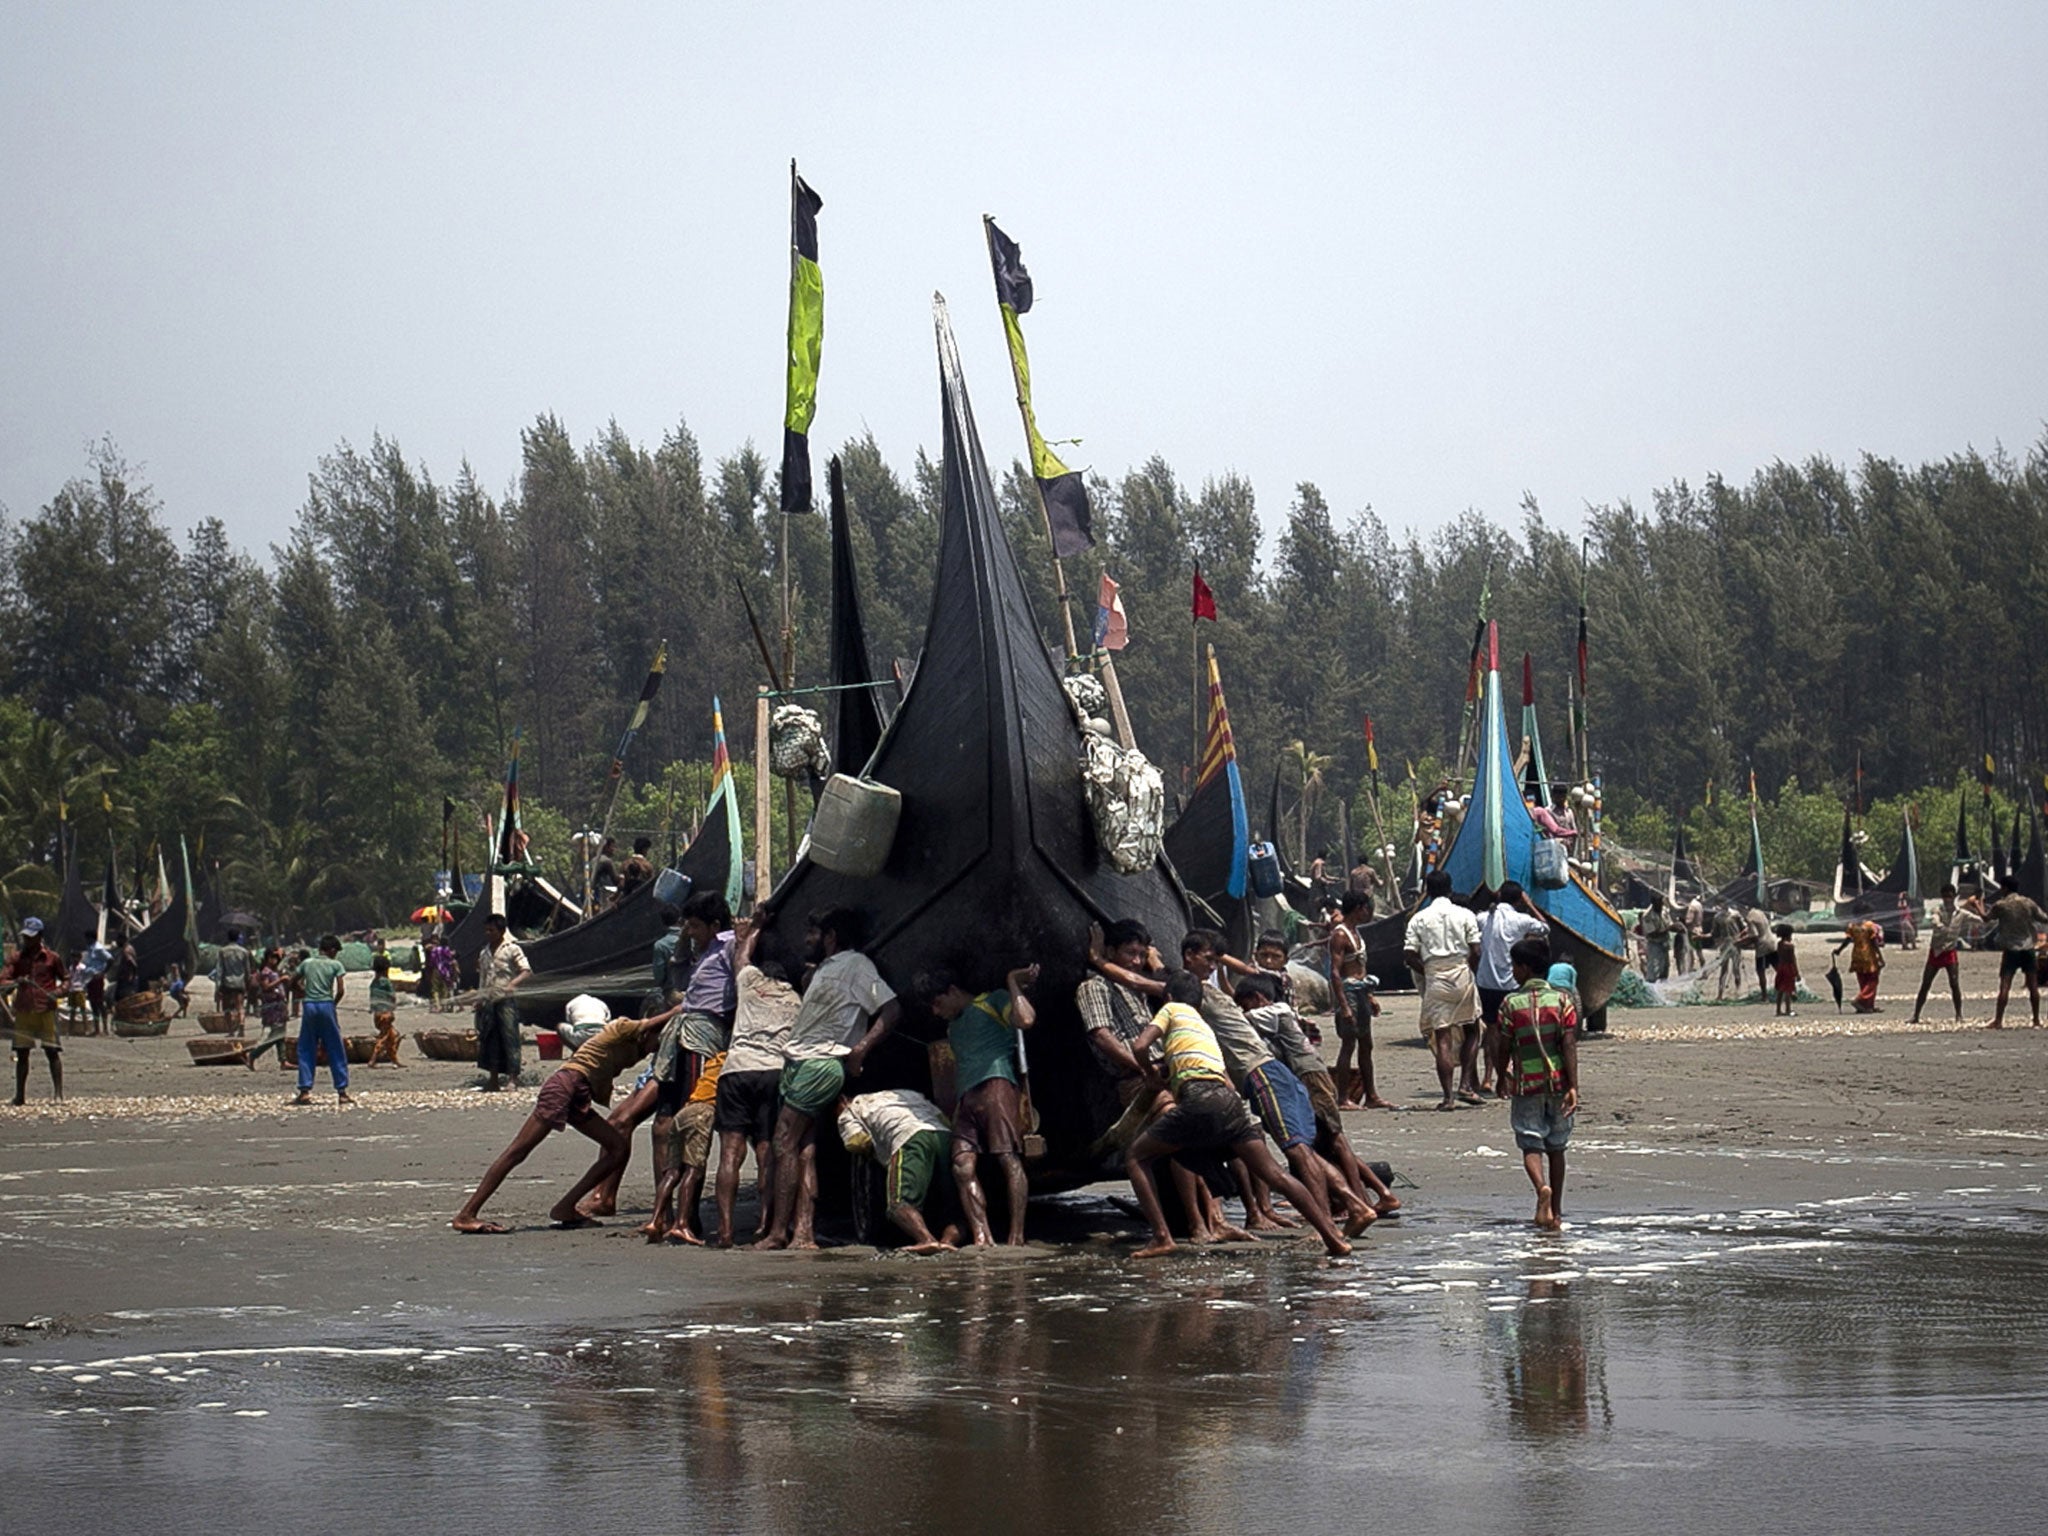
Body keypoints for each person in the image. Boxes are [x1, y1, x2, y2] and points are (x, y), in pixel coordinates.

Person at [1120, 971, 1352, 1261]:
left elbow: (1140, 1046)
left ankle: (1162, 1237)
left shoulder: (1171, 1009)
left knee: (1136, 1156)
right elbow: (1227, 1081)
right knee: (1276, 1175)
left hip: (1200, 1098)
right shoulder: (1204, 1027)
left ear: (1167, 997)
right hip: (1228, 1101)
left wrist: (1151, 1074)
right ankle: (1333, 1238)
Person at [449, 1001, 680, 1233]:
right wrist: (688, 1003)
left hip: (579, 1093)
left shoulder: (639, 1046)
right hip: (564, 1087)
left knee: (617, 1148)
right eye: (657, 1041)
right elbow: (659, 1019)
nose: (655, 1048)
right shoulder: (624, 1028)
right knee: (517, 1151)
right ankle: (467, 1214)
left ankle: (566, 1206)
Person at [753, 907, 900, 1251]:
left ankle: (778, 1233)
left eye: (813, 934)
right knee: (804, 1150)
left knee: (783, 1142)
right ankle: (803, 1233)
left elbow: (891, 1008)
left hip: (820, 1062)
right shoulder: (826, 969)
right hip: (800, 1061)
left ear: (831, 937)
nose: (807, 940)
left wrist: (860, 1049)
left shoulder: (856, 965)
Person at [1234, 973, 1400, 1219]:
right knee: (1324, 1144)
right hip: (1306, 1079)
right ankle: (1364, 1197)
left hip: (1311, 1076)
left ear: (1258, 998)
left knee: (1335, 1140)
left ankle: (1366, 1197)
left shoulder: (1276, 1011)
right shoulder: (1279, 1014)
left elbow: (1241, 1020)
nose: (1245, 1010)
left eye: (1246, 1004)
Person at [921, 964, 1038, 1247]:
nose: (936, 1012)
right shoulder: (953, 1027)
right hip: (966, 1098)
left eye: (938, 1003)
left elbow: (1025, 1019)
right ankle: (981, 1235)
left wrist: (1011, 981)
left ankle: (1016, 1236)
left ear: (952, 991)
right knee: (962, 1166)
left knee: (1008, 1158)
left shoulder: (991, 1001)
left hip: (996, 1084)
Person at [645, 892, 737, 1231]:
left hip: (703, 1037)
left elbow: (738, 984)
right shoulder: (706, 949)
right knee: (672, 1121)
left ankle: (687, 1216)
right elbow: (682, 971)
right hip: (684, 1035)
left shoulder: (728, 945)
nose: (691, 932)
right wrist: (691, 934)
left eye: (696, 926)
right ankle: (671, 1215)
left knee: (692, 1119)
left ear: (715, 925)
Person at [713, 919, 796, 1247]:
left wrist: (752, 930)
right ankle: (764, 1223)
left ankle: (725, 1230)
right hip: (774, 1072)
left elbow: (741, 957)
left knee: (730, 1154)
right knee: (767, 1153)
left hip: (737, 1070)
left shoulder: (750, 981)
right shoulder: (797, 999)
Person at [1495, 935, 1579, 1230]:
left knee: (1531, 1142)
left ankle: (1541, 1188)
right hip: (1557, 1082)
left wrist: (1500, 1074)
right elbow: (1568, 1045)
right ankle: (1555, 1212)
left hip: (1526, 1083)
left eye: (1515, 966)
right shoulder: (1562, 1001)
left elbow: (1502, 1046)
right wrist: (1573, 1086)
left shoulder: (1510, 1004)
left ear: (1526, 968)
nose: (1513, 971)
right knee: (1557, 1146)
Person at [838, 1088, 960, 1253]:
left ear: (843, 1099)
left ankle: (926, 1239)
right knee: (952, 1204)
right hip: (943, 1136)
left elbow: (857, 1142)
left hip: (908, 1138)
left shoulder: (851, 1109)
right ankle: (948, 1242)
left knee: (898, 1204)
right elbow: (944, 1120)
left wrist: (877, 1152)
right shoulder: (910, 1095)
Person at [1403, 870, 1482, 1112]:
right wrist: (1470, 972)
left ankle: (1448, 1097)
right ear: (1450, 888)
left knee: (1443, 1038)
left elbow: (1408, 954)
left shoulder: (1419, 918)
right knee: (1473, 1030)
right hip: (1461, 973)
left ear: (1427, 890)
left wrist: (1427, 971)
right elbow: (1476, 951)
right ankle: (1466, 1084)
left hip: (1435, 977)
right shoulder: (1465, 914)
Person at [1475, 882, 1547, 1100]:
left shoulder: (1484, 918)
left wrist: (1490, 908)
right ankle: (1508, 1075)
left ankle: (1489, 1077)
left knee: (1492, 1031)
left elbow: (1473, 921)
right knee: (1513, 1033)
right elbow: (1544, 927)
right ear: (1518, 900)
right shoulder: (1521, 920)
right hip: (1510, 984)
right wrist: (1531, 905)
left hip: (1486, 982)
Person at [1329, 891, 1390, 1109]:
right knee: (1348, 1044)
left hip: (1361, 991)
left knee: (1366, 1043)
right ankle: (1343, 1098)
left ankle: (1371, 1095)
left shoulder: (1355, 933)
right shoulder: (1340, 935)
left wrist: (1370, 996)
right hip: (1349, 993)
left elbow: (1361, 968)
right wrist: (1344, 1006)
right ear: (1358, 908)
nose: (1368, 913)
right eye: (1366, 908)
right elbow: (1335, 972)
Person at [6, 918, 65, 1105]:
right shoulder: (16, 958)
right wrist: (16, 982)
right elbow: (3, 980)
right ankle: (20, 1095)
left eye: (31, 937)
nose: (27, 941)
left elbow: (67, 980)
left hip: (45, 1009)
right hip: (24, 1009)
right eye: (25, 937)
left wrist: (57, 993)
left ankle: (58, 1094)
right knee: (22, 1054)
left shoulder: (52, 958)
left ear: (40, 936)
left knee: (52, 1051)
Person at [291, 935, 352, 1106]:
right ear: (331, 950)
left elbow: (292, 981)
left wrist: (303, 991)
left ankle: (304, 1091)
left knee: (306, 1047)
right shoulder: (335, 965)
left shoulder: (307, 963)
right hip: (326, 1005)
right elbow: (340, 990)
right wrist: (333, 1004)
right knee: (335, 1047)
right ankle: (342, 1092)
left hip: (309, 1005)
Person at [1981, 878, 2048, 1029]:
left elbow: (1986, 918)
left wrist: (1978, 905)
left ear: (2004, 889)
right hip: (2028, 948)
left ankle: (1998, 1020)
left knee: (2005, 985)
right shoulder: (2028, 903)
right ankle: (2036, 1019)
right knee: (2033, 985)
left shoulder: (2001, 905)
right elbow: (2044, 918)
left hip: (2011, 949)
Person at [474, 914, 530, 1091]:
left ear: (502, 931)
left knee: (510, 1037)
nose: (488, 933)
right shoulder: (484, 953)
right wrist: (479, 999)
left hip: (506, 1001)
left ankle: (513, 1078)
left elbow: (526, 971)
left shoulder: (512, 949)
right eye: (486, 930)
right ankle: (493, 1079)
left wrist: (512, 984)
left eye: (492, 930)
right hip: (489, 1000)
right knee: (490, 1038)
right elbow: (483, 979)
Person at [1911, 884, 1969, 1025]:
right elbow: (1934, 919)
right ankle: (1916, 1015)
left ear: (1954, 896)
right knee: (1926, 983)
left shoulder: (1960, 913)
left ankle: (1959, 1015)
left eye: (1950, 896)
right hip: (1936, 952)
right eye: (1945, 896)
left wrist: (1988, 919)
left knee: (1954, 984)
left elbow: (1977, 919)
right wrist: (1940, 926)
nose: (1948, 899)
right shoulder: (1937, 910)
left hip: (1950, 952)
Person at [245, 946, 292, 1070]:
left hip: (279, 1006)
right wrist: (281, 980)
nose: (275, 960)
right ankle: (253, 1054)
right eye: (272, 958)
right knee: (275, 1035)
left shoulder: (274, 971)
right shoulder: (266, 972)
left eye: (276, 958)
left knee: (280, 1034)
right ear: (267, 958)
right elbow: (265, 987)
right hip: (272, 1007)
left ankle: (283, 1060)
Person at [1832, 917, 1885, 1014]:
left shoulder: (1852, 926)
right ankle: (1860, 1000)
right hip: (1869, 955)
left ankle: (1867, 1006)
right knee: (1873, 980)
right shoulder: (1869, 926)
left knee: (1863, 980)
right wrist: (1880, 957)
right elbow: (1874, 943)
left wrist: (1839, 950)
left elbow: (1847, 940)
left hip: (1857, 955)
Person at [366, 955, 402, 1066]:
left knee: (392, 1036)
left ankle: (395, 1060)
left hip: (377, 1014)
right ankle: (373, 1059)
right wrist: (393, 1006)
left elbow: (373, 998)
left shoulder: (373, 983)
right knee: (383, 1037)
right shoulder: (386, 982)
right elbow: (392, 996)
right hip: (386, 1014)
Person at [215, 930, 251, 1031]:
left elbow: (219, 970)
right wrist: (247, 982)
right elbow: (247, 969)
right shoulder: (244, 952)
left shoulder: (223, 951)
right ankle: (241, 1023)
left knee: (226, 1008)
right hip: (239, 983)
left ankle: (231, 1029)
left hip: (227, 983)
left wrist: (218, 987)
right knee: (240, 1006)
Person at [1635, 894, 1672, 983]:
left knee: (1665, 966)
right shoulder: (1647, 915)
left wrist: (1674, 927)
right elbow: (1652, 933)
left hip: (1664, 942)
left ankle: (1663, 984)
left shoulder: (1664, 910)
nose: (1661, 905)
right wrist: (1668, 929)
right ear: (1654, 903)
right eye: (1658, 904)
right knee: (1653, 966)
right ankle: (1651, 983)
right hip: (1654, 944)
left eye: (1661, 903)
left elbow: (1669, 922)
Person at [650, 906, 683, 997]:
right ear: (680, 919)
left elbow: (659, 977)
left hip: (672, 992)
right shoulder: (693, 938)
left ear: (663, 923)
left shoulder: (660, 945)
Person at [1745, 905, 1775, 997]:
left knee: (1761, 971)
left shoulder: (1749, 917)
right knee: (1778, 968)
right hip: (1772, 942)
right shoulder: (1760, 913)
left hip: (1762, 946)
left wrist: (1742, 942)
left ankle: (1764, 996)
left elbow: (1754, 935)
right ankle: (1789, 991)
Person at [1771, 924, 1800, 1016]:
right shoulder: (1790, 946)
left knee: (1780, 989)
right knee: (1788, 989)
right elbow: (1792, 959)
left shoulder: (1779, 944)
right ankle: (1788, 1009)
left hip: (1781, 967)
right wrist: (1797, 973)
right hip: (1788, 967)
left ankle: (1778, 1010)